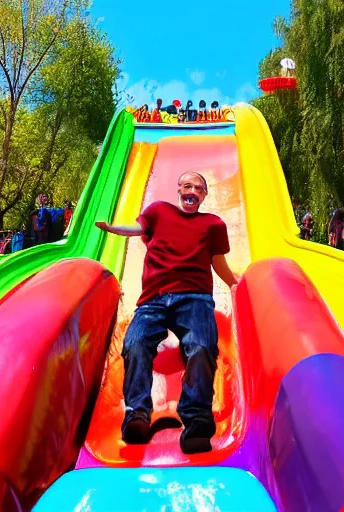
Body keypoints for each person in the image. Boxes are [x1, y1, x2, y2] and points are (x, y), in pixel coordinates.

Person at [95, 171, 237, 454]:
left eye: (198, 188)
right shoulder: (159, 211)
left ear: (205, 195)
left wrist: (234, 283)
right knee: (135, 343)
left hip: (194, 298)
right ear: (178, 188)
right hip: (153, 300)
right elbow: (137, 230)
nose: (192, 191)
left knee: (201, 346)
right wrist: (112, 228)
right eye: (187, 185)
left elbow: (217, 261)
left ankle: (196, 417)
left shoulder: (212, 224)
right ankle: (137, 413)